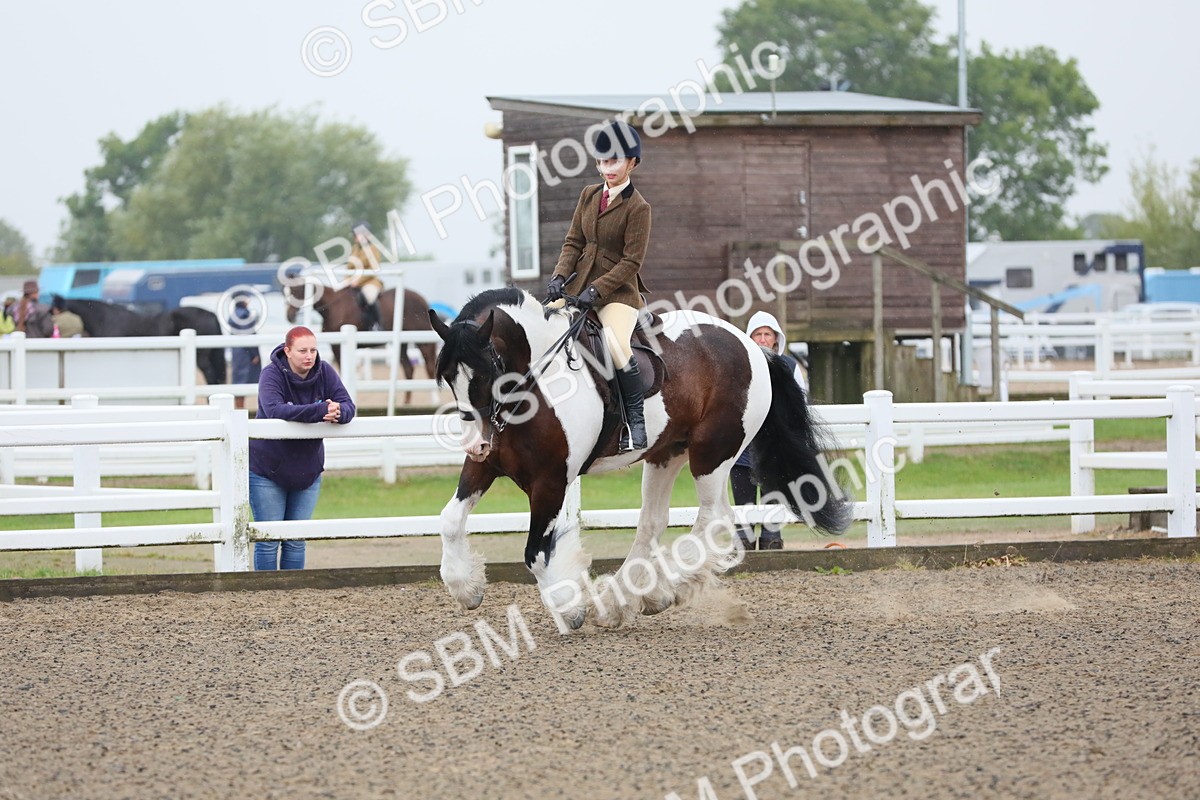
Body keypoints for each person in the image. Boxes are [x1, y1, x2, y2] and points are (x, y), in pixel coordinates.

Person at [546, 120, 652, 451]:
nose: (609, 168)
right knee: (542, 323)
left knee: (616, 345)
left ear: (632, 162)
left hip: (617, 295)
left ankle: (634, 419)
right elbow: (573, 241)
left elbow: (631, 262)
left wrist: (598, 290)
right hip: (579, 288)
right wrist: (559, 276)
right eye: (604, 162)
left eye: (616, 161)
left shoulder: (639, 207)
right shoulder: (588, 195)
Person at [248, 325, 356, 570]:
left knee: (296, 539)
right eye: (302, 351)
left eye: (313, 350)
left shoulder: (325, 371)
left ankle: (293, 592)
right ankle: (265, 594)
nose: (309, 356)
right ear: (287, 351)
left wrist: (339, 412)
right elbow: (275, 409)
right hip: (267, 469)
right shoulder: (271, 374)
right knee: (269, 539)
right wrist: (320, 410)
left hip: (308, 469)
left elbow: (348, 405)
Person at [731, 311, 808, 551]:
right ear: (750, 338)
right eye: (758, 334)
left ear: (776, 339)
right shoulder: (738, 366)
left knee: (773, 496)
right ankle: (742, 543)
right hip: (743, 445)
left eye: (767, 334)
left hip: (775, 445)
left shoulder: (790, 366)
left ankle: (771, 539)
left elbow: (800, 404)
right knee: (743, 501)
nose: (763, 339)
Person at [348, 221, 384, 331]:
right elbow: (349, 267)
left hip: (369, 281)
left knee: (370, 297)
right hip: (353, 282)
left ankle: (378, 324)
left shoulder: (373, 249)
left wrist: (358, 281)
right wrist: (347, 279)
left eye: (357, 234)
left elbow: (374, 268)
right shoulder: (355, 248)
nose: (355, 237)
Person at [228, 298, 262, 409]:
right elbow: (248, 335)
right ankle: (241, 410)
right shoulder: (244, 316)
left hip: (238, 352)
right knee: (247, 381)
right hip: (246, 354)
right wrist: (254, 353)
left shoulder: (234, 315)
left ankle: (239, 409)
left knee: (239, 381)